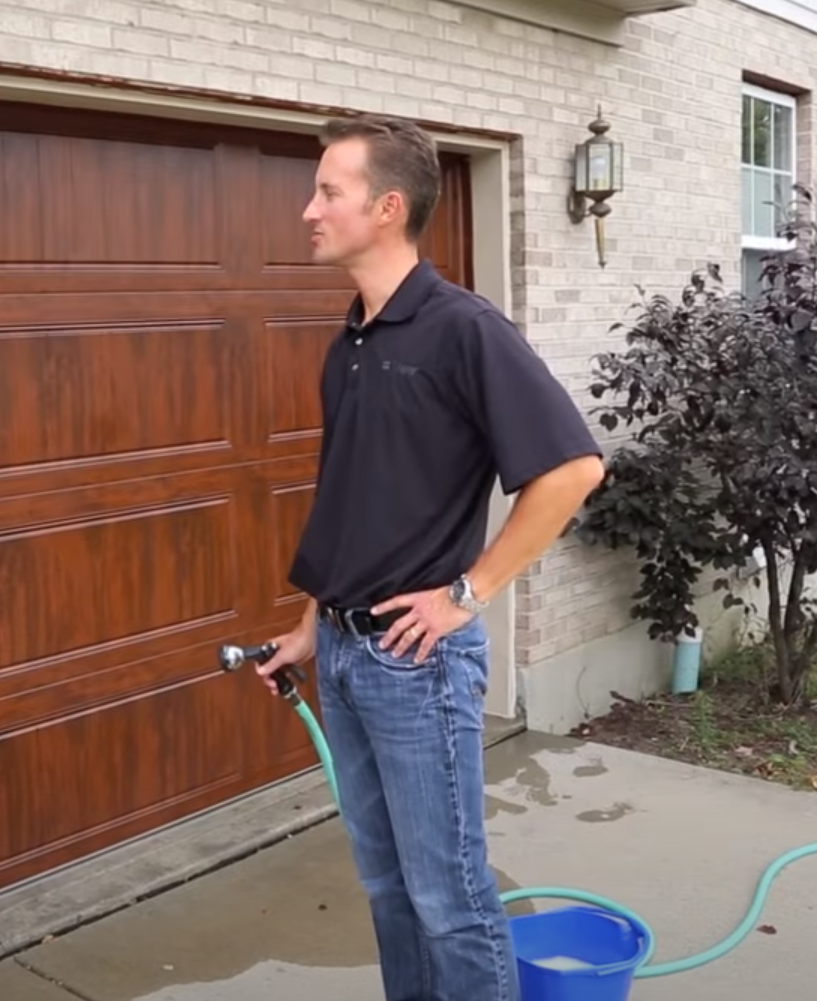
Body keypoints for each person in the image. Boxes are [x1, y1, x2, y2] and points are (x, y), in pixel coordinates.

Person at [257, 114, 606, 1001]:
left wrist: (469, 590)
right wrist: (309, 626)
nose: (308, 209)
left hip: (416, 662)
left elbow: (571, 469)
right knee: (386, 888)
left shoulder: (462, 329)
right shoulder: (351, 345)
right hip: (344, 653)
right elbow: (350, 502)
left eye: (326, 191)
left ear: (385, 206)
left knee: (448, 898)